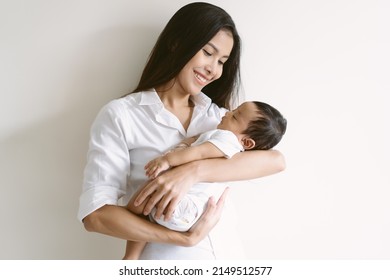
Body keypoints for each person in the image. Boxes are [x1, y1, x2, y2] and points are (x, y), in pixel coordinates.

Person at [78, 2, 285, 260]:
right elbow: (96, 216)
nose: (214, 69)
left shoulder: (220, 118)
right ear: (176, 43)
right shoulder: (122, 115)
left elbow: (276, 161)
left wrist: (191, 172)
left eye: (222, 61)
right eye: (208, 53)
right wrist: (183, 239)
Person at [124, 100, 287, 259]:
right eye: (234, 110)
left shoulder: (227, 140)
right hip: (188, 213)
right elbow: (194, 142)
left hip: (182, 206)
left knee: (140, 203)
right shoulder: (226, 144)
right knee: (143, 207)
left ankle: (131, 253)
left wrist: (168, 160)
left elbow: (199, 152)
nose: (228, 113)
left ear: (246, 142)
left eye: (235, 117)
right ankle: (131, 255)